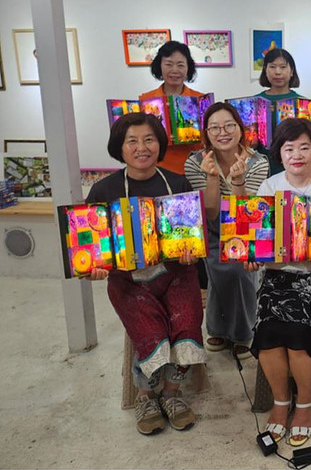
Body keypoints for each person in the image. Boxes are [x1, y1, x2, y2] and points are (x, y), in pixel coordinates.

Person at [86, 112, 207, 435]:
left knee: (187, 323)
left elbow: (195, 236)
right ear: (120, 147)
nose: (142, 147)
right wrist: (93, 268)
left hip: (176, 274)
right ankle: (146, 397)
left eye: (149, 139)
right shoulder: (103, 190)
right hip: (128, 280)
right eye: (133, 141)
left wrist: (191, 251)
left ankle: (171, 394)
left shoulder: (178, 184)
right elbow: (91, 245)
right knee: (150, 330)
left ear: (160, 144)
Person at [246, 118, 311, 447]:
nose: (297, 155)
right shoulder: (269, 187)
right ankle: (281, 401)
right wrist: (253, 254)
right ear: (280, 153)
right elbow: (258, 240)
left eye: (305, 147)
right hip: (278, 275)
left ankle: (304, 401)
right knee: (268, 331)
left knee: (299, 333)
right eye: (289, 148)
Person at [184, 102, 270, 359]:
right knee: (216, 274)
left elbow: (246, 213)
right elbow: (210, 213)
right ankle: (217, 327)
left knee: (240, 272)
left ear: (240, 129)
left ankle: (245, 330)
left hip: (245, 226)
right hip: (211, 227)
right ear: (206, 133)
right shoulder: (195, 162)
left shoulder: (258, 162)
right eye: (215, 127)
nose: (223, 132)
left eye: (229, 126)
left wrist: (238, 180)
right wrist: (211, 177)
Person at [140, 41, 205, 175]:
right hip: (157, 170)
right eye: (169, 64)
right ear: (159, 66)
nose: (175, 70)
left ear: (188, 67)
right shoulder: (146, 100)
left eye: (180, 65)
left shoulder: (201, 99)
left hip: (194, 170)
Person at [257, 48, 303, 176]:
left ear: (292, 71)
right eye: (272, 67)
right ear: (265, 70)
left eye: (283, 67)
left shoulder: (303, 103)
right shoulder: (254, 102)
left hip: (294, 166)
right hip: (260, 169)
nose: (277, 72)